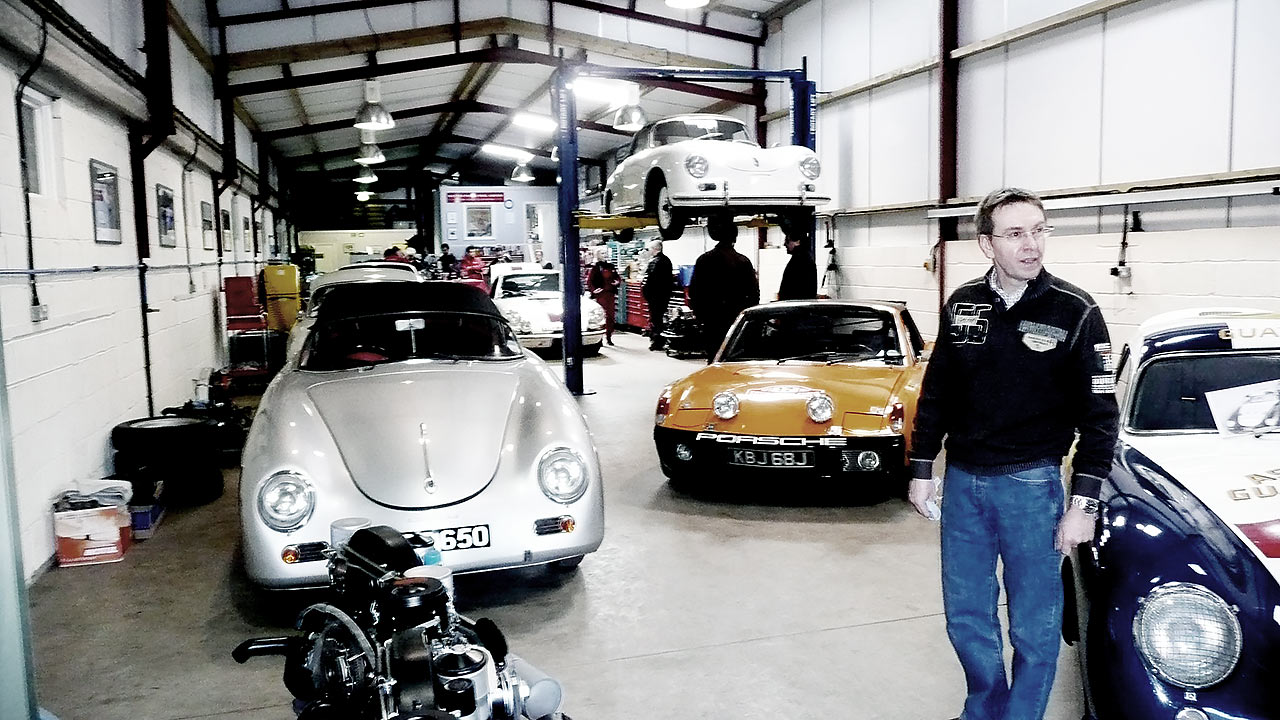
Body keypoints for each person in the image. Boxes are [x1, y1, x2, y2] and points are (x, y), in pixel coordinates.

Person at [907, 188, 1119, 720]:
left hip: (1032, 487)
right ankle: (983, 708)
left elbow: (1100, 418)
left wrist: (1083, 504)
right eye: (1016, 233)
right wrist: (922, 467)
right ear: (988, 244)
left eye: (1039, 230)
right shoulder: (963, 304)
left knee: (1034, 622)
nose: (1032, 245)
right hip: (963, 485)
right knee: (966, 616)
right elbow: (937, 392)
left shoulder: (1076, 311)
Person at [688, 216, 759, 359]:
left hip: (712, 320)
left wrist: (700, 316)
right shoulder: (743, 261)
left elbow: (694, 293)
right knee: (734, 357)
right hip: (736, 320)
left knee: (714, 356)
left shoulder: (704, 260)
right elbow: (754, 294)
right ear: (734, 237)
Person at [642, 239, 674, 351]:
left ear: (655, 249)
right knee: (660, 317)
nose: (649, 251)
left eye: (650, 249)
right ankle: (661, 340)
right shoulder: (667, 261)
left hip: (655, 296)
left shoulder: (654, 262)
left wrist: (647, 294)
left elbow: (648, 280)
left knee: (655, 319)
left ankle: (657, 342)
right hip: (664, 295)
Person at [586, 247, 622, 345]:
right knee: (602, 316)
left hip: (610, 294)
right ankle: (600, 338)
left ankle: (609, 336)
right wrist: (594, 290)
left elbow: (617, 277)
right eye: (602, 253)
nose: (605, 255)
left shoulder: (611, 266)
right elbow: (589, 281)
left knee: (610, 316)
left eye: (606, 253)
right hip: (601, 295)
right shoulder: (596, 267)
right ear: (598, 255)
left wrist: (617, 282)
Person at [777, 231, 817, 301]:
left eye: (787, 241)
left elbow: (792, 287)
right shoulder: (804, 259)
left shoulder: (799, 261)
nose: (785, 244)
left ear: (798, 242)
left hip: (795, 303)